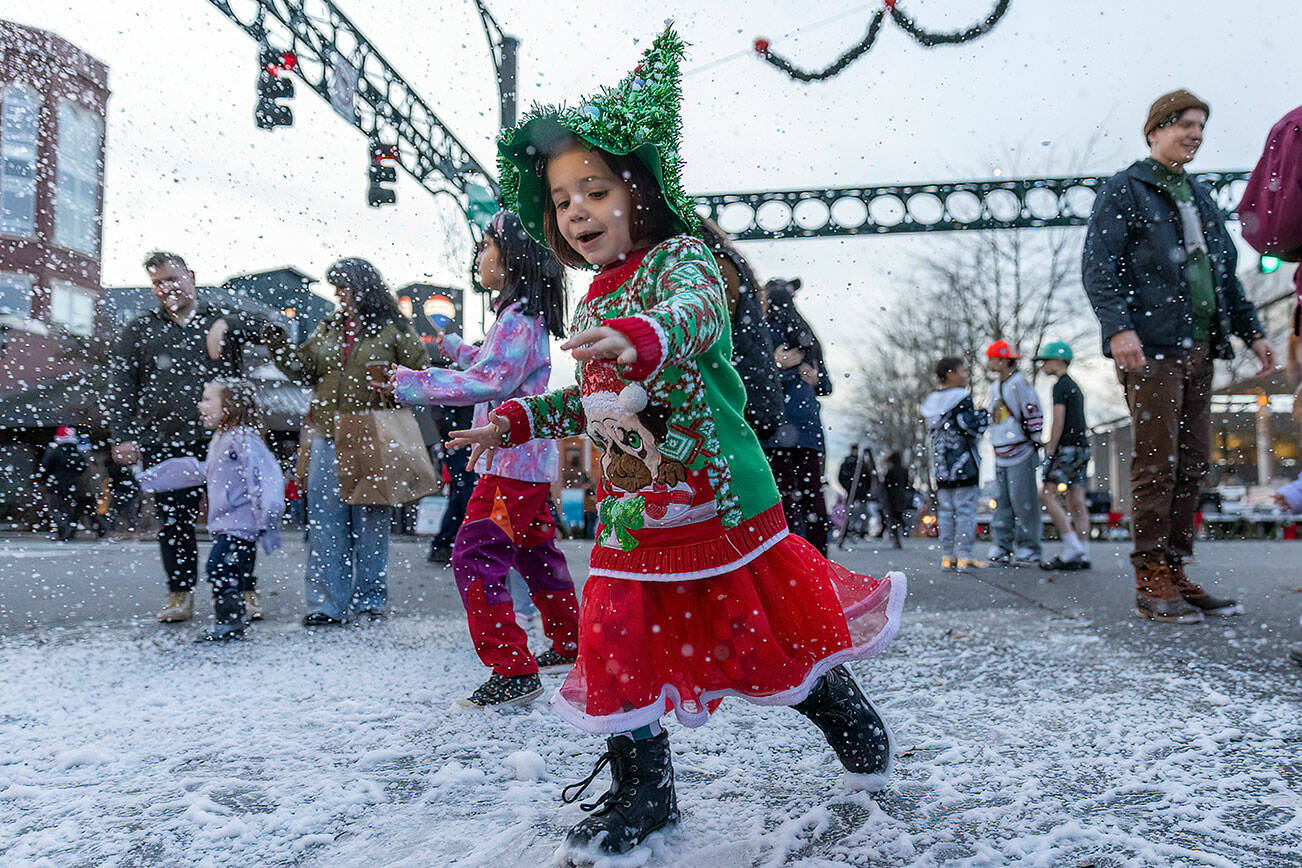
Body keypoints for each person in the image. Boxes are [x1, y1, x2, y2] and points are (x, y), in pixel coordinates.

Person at [461, 26, 905, 857]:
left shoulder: (684, 260)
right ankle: (644, 791)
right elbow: (592, 402)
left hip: (719, 497)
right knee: (612, 638)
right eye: (562, 201)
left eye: (593, 190)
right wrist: (514, 420)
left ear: (639, 191)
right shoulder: (594, 297)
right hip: (633, 513)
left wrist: (647, 337)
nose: (578, 212)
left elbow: (695, 322)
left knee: (759, 636)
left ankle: (840, 710)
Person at [1083, 89, 1276, 624]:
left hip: (1200, 347)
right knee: (1157, 461)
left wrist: (1253, 332)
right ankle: (1150, 576)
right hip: (1151, 348)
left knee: (1192, 462)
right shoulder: (1127, 188)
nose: (1194, 134)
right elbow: (1100, 264)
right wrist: (1119, 328)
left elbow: (1224, 276)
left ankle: (1174, 566)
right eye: (1184, 124)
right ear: (1155, 131)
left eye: (1200, 127)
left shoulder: (1199, 196)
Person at [390, 210, 581, 708]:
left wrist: (410, 382)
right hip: (525, 467)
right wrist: (451, 344)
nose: (480, 257)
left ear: (512, 257)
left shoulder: (517, 318)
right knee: (536, 552)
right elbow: (492, 365)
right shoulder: (518, 317)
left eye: (485, 247)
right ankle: (569, 641)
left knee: (475, 554)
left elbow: (490, 380)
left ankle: (512, 670)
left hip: (509, 468)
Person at [212, 258, 430, 626]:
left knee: (370, 524)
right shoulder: (329, 327)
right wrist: (277, 344)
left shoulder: (394, 328)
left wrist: (394, 379)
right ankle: (326, 605)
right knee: (324, 523)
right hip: (328, 433)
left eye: (343, 287)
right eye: (336, 287)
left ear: (364, 289)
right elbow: (303, 369)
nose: (338, 294)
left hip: (373, 434)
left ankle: (369, 602)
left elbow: (421, 372)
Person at [108, 252, 255, 623]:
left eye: (173, 279)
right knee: (173, 521)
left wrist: (227, 323)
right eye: (158, 282)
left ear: (191, 275)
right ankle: (179, 594)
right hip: (164, 436)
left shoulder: (221, 316)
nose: (166, 288)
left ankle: (244, 589)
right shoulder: (140, 329)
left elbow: (272, 330)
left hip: (222, 436)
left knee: (236, 515)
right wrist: (123, 434)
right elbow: (123, 385)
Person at [138, 380, 284, 641]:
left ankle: (230, 623)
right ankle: (231, 620)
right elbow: (204, 471)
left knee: (220, 568)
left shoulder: (243, 439)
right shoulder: (221, 438)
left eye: (207, 400)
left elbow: (265, 477)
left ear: (228, 407)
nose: (200, 405)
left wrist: (268, 516)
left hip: (240, 524)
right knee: (225, 571)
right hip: (226, 524)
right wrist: (153, 478)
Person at [762, 277, 833, 554]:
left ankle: (794, 560)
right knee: (812, 497)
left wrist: (775, 367)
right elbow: (826, 385)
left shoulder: (762, 331)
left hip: (776, 427)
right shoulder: (806, 334)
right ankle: (819, 561)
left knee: (783, 499)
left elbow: (752, 378)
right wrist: (813, 380)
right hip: (806, 427)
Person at [921, 357, 989, 572]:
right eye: (962, 371)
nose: (965, 375)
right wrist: (983, 416)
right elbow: (971, 427)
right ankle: (964, 555)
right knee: (965, 510)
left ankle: (947, 554)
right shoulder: (961, 398)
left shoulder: (931, 403)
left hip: (941, 467)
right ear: (950, 373)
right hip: (964, 464)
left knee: (946, 511)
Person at [984, 339, 1043, 566]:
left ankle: (1029, 546)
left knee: (1023, 500)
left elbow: (1032, 409)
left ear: (1003, 360)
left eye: (992, 358)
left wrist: (1035, 437)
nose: (989, 362)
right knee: (1003, 500)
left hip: (1020, 450)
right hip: (1001, 451)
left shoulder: (1019, 383)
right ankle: (1002, 544)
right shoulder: (995, 386)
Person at [1034, 342, 1092, 571]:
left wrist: (1051, 447)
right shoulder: (1074, 386)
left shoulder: (1059, 386)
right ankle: (1084, 552)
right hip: (1082, 448)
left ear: (1058, 361)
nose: (1042, 365)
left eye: (1045, 360)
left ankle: (1071, 546)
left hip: (1066, 448)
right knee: (1076, 500)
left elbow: (1059, 417)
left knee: (1046, 495)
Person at [427, 404, 477, 566]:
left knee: (462, 492)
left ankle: (448, 542)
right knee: (465, 492)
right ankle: (457, 542)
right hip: (462, 437)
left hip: (463, 436)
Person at [40, 426, 86, 540]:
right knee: (69, 508)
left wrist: (45, 480)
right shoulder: (77, 453)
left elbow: (45, 468)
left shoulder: (54, 452)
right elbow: (82, 467)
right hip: (73, 484)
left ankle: (63, 527)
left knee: (54, 508)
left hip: (56, 484)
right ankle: (69, 528)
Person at [836, 444, 877, 540]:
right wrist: (849, 487)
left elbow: (868, 478)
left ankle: (856, 531)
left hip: (859, 492)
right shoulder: (851, 462)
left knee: (859, 512)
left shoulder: (860, 463)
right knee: (853, 512)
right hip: (854, 491)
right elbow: (842, 477)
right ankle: (851, 530)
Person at [880, 452, 912, 549]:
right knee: (899, 515)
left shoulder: (891, 471)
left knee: (892, 517)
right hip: (901, 496)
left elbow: (886, 484)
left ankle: (896, 538)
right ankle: (904, 530)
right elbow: (906, 483)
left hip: (892, 496)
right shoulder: (904, 470)